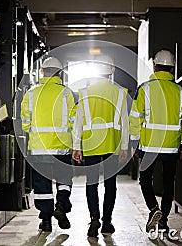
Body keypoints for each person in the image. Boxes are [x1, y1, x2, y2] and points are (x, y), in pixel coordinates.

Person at [129, 49, 182, 233]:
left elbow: (135, 118)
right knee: (168, 183)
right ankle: (163, 219)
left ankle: (153, 209)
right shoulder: (180, 92)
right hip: (171, 147)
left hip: (149, 146)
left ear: (155, 66)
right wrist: (181, 144)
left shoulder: (145, 88)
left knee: (146, 180)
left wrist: (134, 143)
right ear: (172, 68)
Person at [72, 55, 129, 237]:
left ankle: (94, 217)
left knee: (92, 184)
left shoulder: (85, 93)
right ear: (111, 71)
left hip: (90, 145)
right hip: (112, 145)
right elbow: (125, 122)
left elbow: (78, 122)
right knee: (110, 184)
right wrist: (125, 146)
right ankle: (107, 222)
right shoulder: (120, 93)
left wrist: (76, 146)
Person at [21, 56, 76, 232]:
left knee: (42, 185)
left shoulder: (31, 93)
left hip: (38, 148)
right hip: (62, 148)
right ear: (59, 73)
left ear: (43, 72)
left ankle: (46, 220)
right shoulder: (67, 93)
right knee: (64, 180)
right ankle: (61, 207)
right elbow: (74, 122)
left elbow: (25, 123)